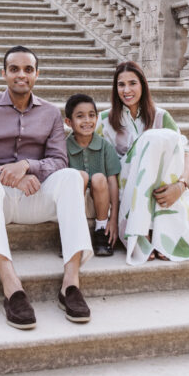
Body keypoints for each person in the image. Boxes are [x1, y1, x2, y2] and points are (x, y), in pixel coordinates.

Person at [0, 45, 93, 330]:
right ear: (4, 73)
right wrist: (10, 175)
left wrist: (28, 166)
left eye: (28, 69)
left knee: (70, 177)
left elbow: (58, 160)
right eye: (15, 69)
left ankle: (71, 284)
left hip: (32, 198)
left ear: (36, 75)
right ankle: (12, 286)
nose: (21, 75)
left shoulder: (51, 114)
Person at [97, 60, 189, 266]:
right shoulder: (104, 120)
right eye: (121, 85)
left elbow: (184, 154)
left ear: (143, 85)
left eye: (132, 83)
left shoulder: (162, 116)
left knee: (163, 140)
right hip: (126, 183)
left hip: (159, 182)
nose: (126, 90)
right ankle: (142, 232)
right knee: (149, 140)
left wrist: (181, 185)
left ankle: (165, 236)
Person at [64, 93, 121, 257]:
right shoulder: (63, 147)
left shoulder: (105, 146)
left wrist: (114, 218)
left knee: (99, 178)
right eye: (80, 116)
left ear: (97, 118)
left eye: (91, 115)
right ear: (68, 122)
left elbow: (112, 183)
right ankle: (72, 232)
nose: (87, 121)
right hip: (74, 203)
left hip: (101, 202)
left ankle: (101, 230)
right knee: (78, 176)